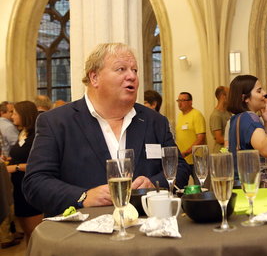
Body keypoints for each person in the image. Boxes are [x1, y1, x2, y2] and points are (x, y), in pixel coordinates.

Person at [23, 43, 190, 217]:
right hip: (82, 234)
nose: (131, 76)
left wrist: (154, 183)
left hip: (146, 231)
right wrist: (83, 197)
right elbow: (35, 183)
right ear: (94, 78)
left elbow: (181, 167)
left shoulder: (155, 121)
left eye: (134, 70)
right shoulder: (56, 122)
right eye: (121, 69)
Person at [5, 101, 42, 244]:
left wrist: (15, 167)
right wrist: (8, 159)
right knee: (27, 232)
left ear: (24, 115)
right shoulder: (23, 132)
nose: (12, 116)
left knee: (35, 234)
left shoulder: (36, 136)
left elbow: (37, 163)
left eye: (15, 113)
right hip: (18, 188)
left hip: (30, 186)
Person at [175, 92, 206, 168]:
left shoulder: (196, 115)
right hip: (183, 159)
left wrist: (187, 152)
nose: (180, 103)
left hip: (196, 158)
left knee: (200, 179)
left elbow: (201, 138)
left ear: (190, 102)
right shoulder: (180, 116)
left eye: (183, 100)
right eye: (178, 100)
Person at [209, 86, 231, 153]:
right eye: (229, 94)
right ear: (223, 96)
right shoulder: (216, 115)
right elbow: (219, 139)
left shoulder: (228, 112)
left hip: (227, 150)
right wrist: (236, 139)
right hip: (221, 151)